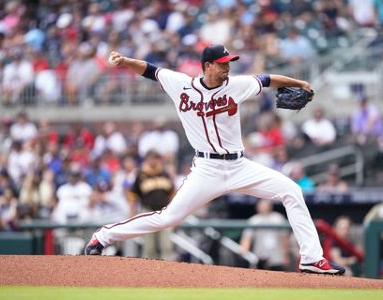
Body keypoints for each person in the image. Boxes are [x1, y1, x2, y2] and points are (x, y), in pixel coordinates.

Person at [85, 44, 345, 275]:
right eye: (222, 65)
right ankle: (103, 236)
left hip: (240, 166)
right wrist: (125, 61)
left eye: (228, 63)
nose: (227, 68)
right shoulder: (181, 84)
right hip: (206, 169)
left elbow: (267, 80)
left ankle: (312, 259)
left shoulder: (237, 85)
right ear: (207, 66)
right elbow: (151, 71)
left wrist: (298, 83)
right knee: (168, 218)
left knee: (292, 191)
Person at [127, 150, 174, 260]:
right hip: (147, 211)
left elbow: (172, 194)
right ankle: (147, 274)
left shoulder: (165, 174)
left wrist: (174, 213)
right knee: (149, 247)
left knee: (166, 246)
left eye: (157, 157)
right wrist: (132, 215)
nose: (155, 160)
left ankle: (169, 274)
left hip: (165, 213)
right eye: (153, 157)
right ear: (147, 159)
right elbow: (133, 197)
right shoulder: (140, 174)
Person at [239, 199, 290, 271]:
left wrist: (285, 255)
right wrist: (245, 253)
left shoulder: (278, 218)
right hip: (260, 257)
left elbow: (284, 238)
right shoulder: (254, 220)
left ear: (270, 206)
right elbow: (246, 239)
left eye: (265, 205)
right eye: (261, 205)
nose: (263, 207)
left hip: (277, 257)